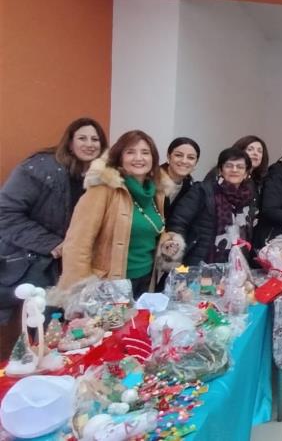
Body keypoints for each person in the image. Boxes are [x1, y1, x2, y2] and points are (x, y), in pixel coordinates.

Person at [0, 117, 107, 358]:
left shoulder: (96, 178)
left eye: (95, 139)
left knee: (58, 334)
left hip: (67, 268)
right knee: (34, 332)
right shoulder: (41, 168)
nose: (89, 144)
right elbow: (5, 213)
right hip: (32, 264)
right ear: (69, 142)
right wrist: (52, 244)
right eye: (82, 138)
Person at [59, 130, 166, 297]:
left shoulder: (156, 193)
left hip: (145, 280)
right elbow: (77, 244)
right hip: (109, 284)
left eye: (145, 152)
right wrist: (80, 292)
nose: (139, 158)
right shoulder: (103, 190)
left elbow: (153, 229)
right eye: (130, 152)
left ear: (153, 159)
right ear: (119, 158)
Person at [166, 148, 259, 266]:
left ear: (246, 173)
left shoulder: (249, 198)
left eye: (240, 167)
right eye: (229, 166)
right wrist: (178, 251)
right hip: (201, 260)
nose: (234, 170)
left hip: (236, 264)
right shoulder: (202, 191)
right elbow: (178, 221)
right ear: (220, 170)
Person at [159, 137, 200, 214]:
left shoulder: (191, 188)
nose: (184, 161)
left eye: (191, 158)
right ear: (168, 157)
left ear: (196, 162)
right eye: (178, 155)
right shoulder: (152, 180)